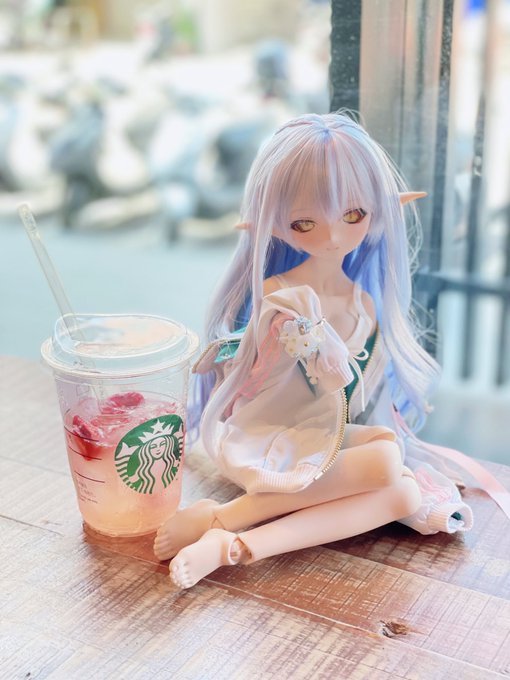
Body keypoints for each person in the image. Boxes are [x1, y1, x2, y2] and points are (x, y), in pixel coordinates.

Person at [154, 111, 473, 589]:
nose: (333, 237)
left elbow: (351, 404)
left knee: (405, 494)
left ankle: (231, 545)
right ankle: (222, 519)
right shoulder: (282, 296)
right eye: (304, 223)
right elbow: (320, 371)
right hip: (268, 439)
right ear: (274, 227)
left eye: (353, 216)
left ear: (378, 212)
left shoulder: (365, 303)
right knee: (387, 463)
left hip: (318, 437)